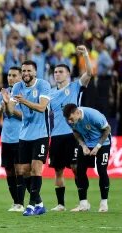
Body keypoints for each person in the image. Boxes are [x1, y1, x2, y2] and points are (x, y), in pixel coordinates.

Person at [49, 45, 93, 211]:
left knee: (76, 168)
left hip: (74, 134)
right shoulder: (50, 93)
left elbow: (89, 73)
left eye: (61, 71)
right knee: (58, 171)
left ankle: (84, 202)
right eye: (55, 72)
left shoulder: (75, 86)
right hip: (57, 135)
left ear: (67, 74)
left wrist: (85, 55)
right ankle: (60, 204)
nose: (57, 74)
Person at [6, 60, 51, 216]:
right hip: (24, 135)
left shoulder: (43, 85)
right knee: (24, 170)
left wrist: (23, 101)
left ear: (35, 72)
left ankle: (31, 205)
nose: (25, 74)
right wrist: (8, 103)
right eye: (23, 71)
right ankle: (39, 203)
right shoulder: (17, 87)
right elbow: (11, 110)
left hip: (41, 134)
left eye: (29, 71)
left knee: (36, 168)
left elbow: (42, 107)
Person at [63, 104, 111, 212]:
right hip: (86, 144)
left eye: (71, 119)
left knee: (102, 171)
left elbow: (107, 130)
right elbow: (75, 132)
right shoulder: (69, 120)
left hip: (103, 144)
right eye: (68, 119)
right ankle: (83, 204)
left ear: (77, 113)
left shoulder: (94, 116)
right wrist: (83, 145)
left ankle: (104, 203)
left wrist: (98, 147)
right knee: (79, 171)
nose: (69, 121)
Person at [0, 66, 23, 212]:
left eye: (14, 75)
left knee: (20, 170)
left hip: (20, 137)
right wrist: (3, 105)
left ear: (20, 77)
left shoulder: (23, 93)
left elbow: (24, 116)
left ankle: (23, 202)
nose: (10, 77)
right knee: (9, 171)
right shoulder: (3, 93)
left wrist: (9, 107)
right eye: (9, 75)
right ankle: (16, 202)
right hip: (6, 138)